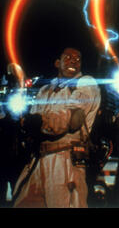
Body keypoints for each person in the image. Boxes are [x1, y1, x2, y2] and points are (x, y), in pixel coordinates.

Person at [12, 47, 101, 207]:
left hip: (64, 159)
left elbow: (72, 119)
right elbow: (32, 118)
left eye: (78, 58)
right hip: (38, 159)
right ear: (57, 63)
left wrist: (40, 121)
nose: (74, 60)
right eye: (67, 57)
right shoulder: (45, 90)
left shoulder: (85, 83)